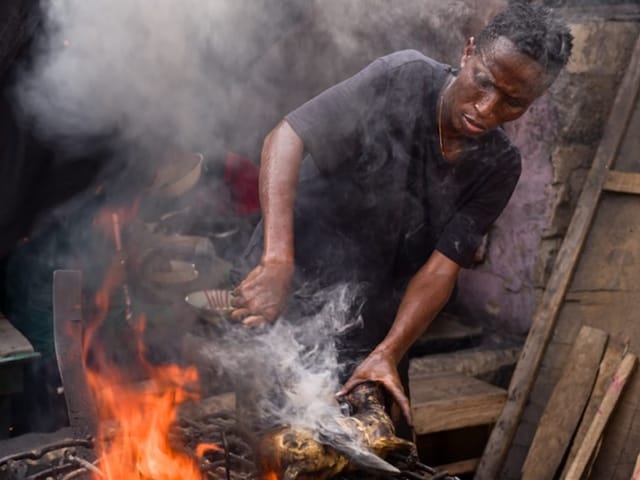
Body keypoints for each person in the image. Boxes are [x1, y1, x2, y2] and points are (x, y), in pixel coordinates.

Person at [230, 1, 573, 434]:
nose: (487, 109)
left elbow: (441, 269)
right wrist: (278, 258)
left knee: (369, 440)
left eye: (513, 102)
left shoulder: (500, 164)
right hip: (293, 282)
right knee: (274, 434)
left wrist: (389, 352)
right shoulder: (402, 77)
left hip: (374, 313)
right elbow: (286, 138)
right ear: (468, 52)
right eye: (483, 82)